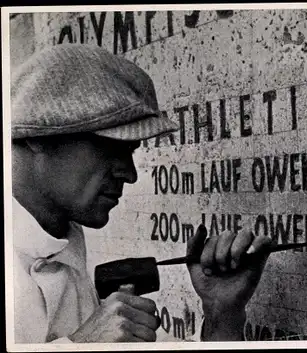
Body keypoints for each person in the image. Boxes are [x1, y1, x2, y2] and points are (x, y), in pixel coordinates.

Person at [10, 43, 272, 343]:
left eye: (131, 151)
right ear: (38, 136)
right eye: (112, 147)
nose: (130, 174)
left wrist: (221, 313)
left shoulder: (63, 244)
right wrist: (83, 346)